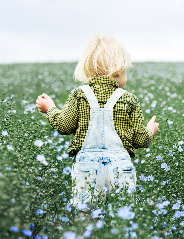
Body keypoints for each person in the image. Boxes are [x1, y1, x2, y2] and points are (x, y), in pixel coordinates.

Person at [36, 34, 159, 206]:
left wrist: (49, 108)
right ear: (118, 70)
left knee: (86, 213)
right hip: (120, 168)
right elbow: (140, 139)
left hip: (87, 166)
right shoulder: (129, 99)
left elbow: (64, 126)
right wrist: (150, 131)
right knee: (122, 216)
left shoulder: (79, 95)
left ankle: (87, 232)